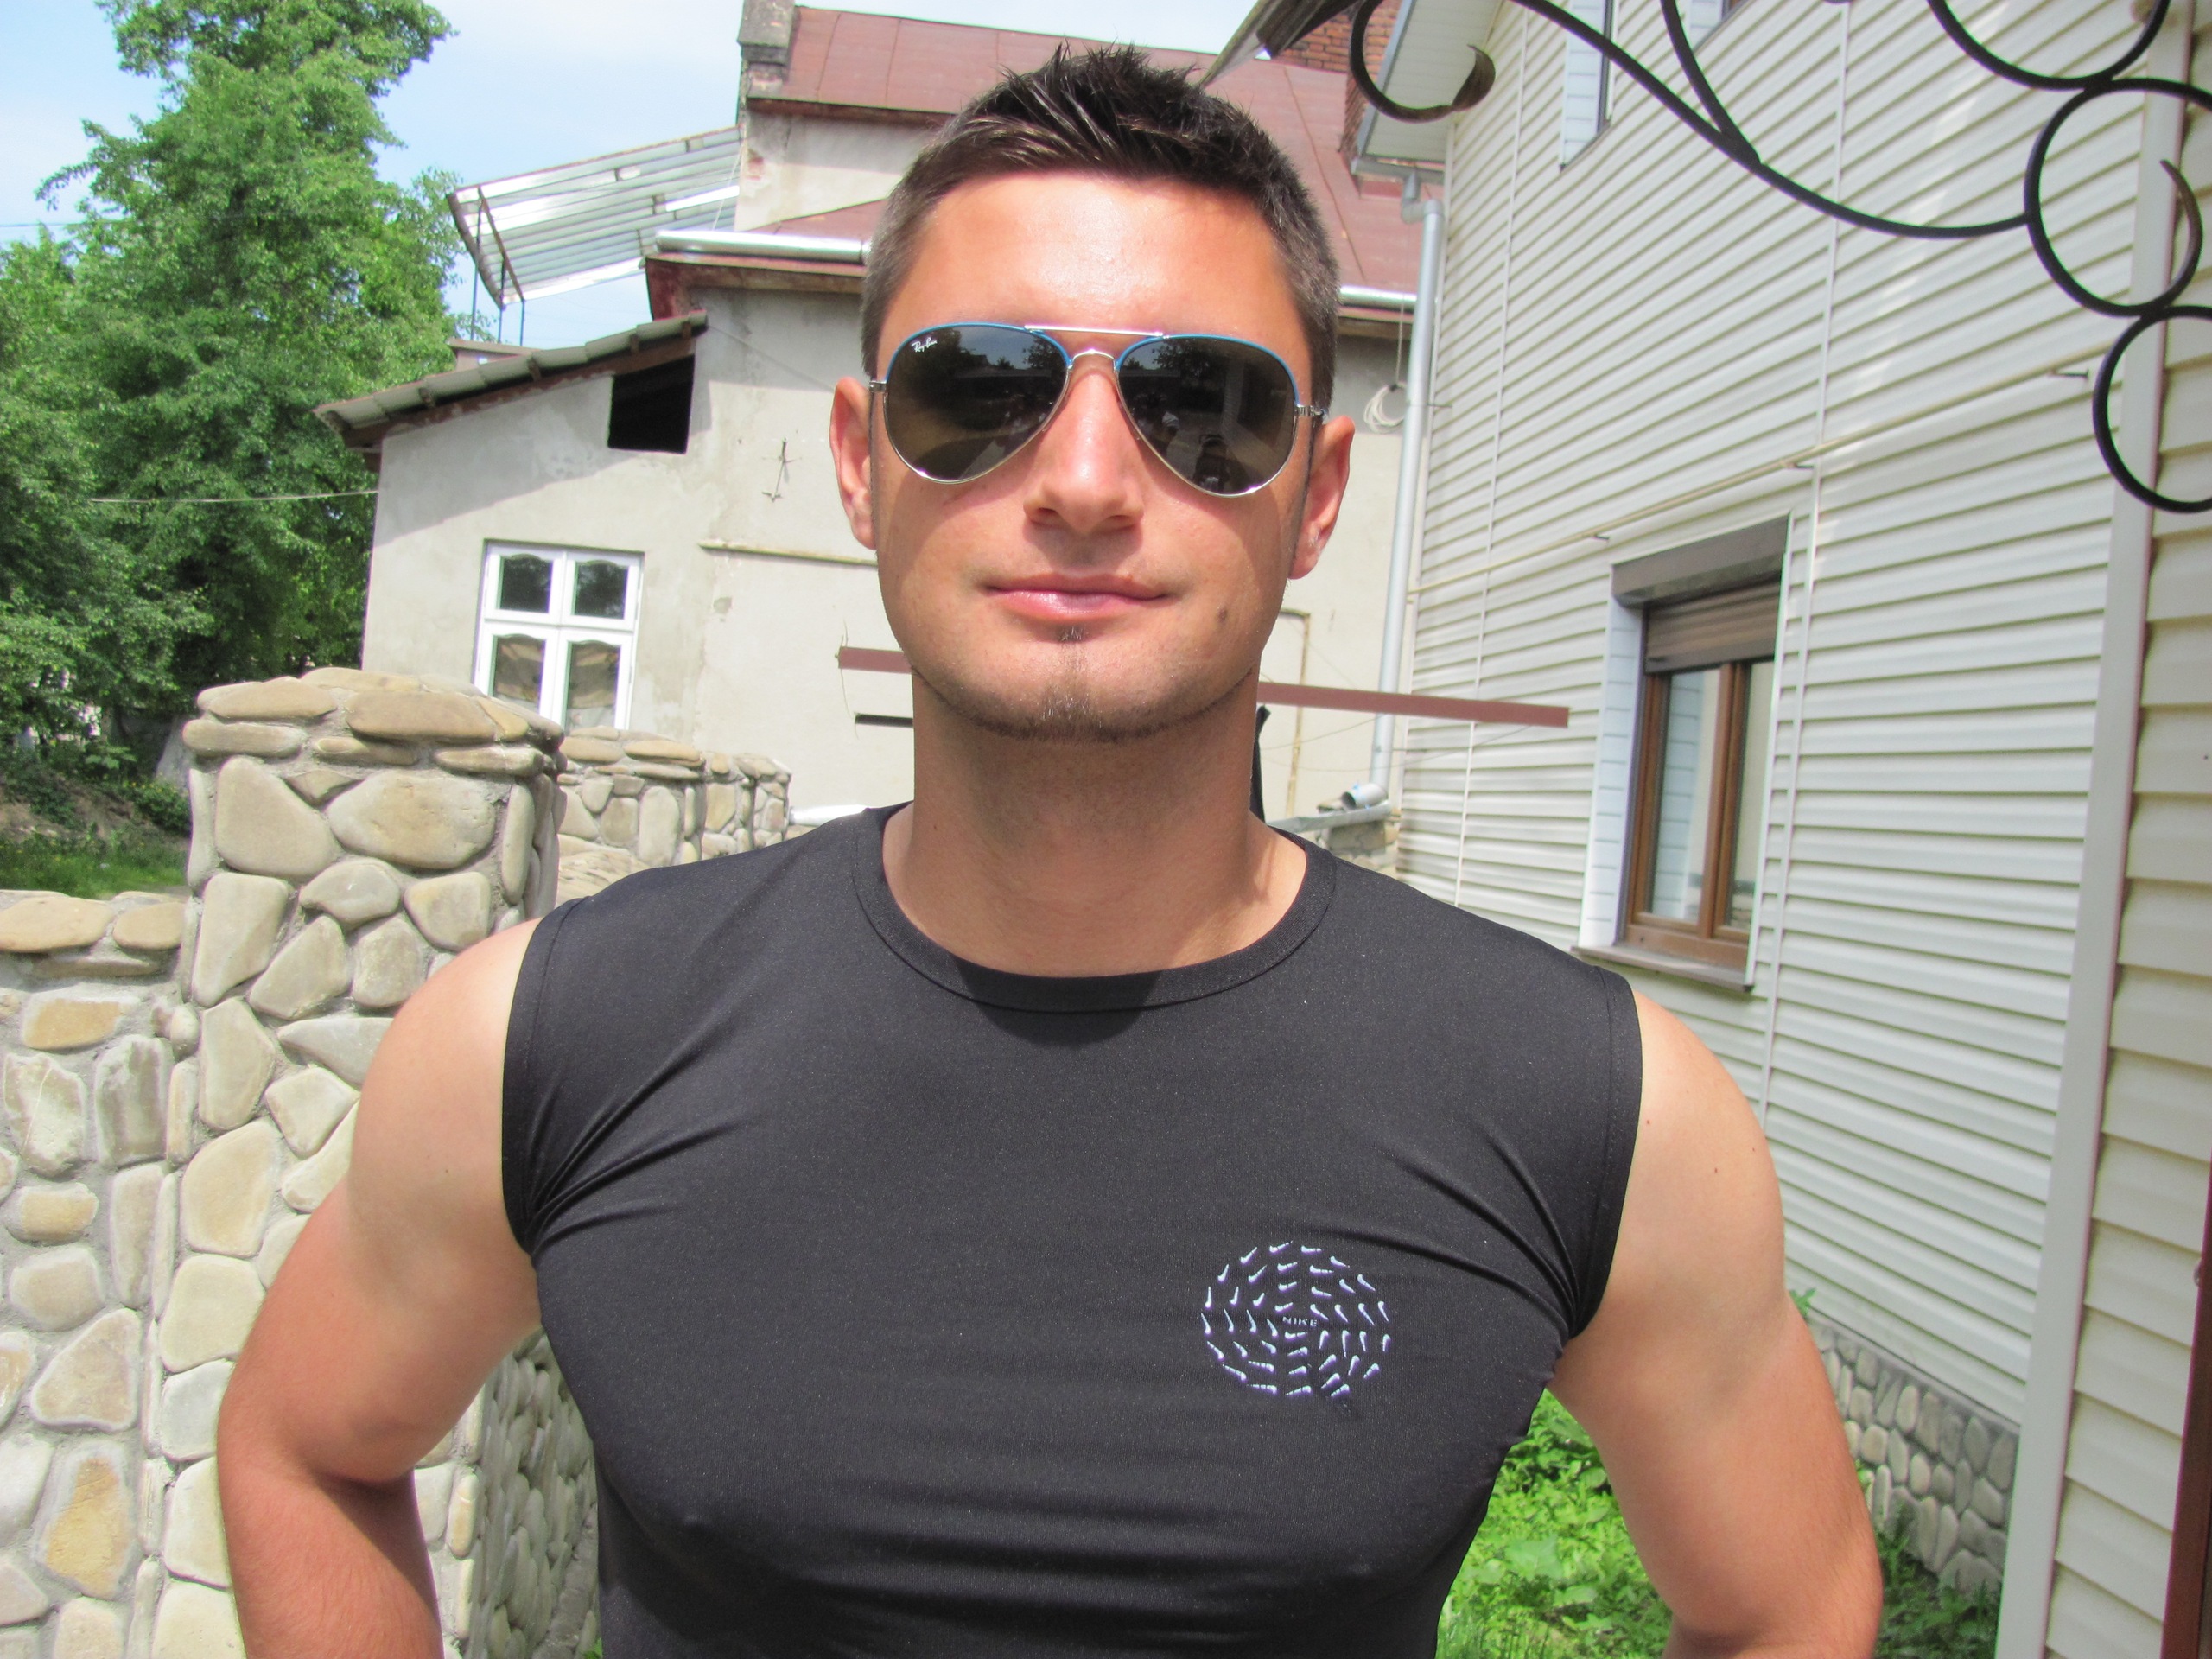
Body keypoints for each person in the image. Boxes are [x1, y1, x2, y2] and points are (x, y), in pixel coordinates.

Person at [220, 46, 1880, 1658]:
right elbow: (304, 1449)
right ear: (862, 462)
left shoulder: (1591, 1106)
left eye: (1204, 407)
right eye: (982, 391)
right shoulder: (553, 1036)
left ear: (1316, 494)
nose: (1085, 483)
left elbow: (1788, 1605)